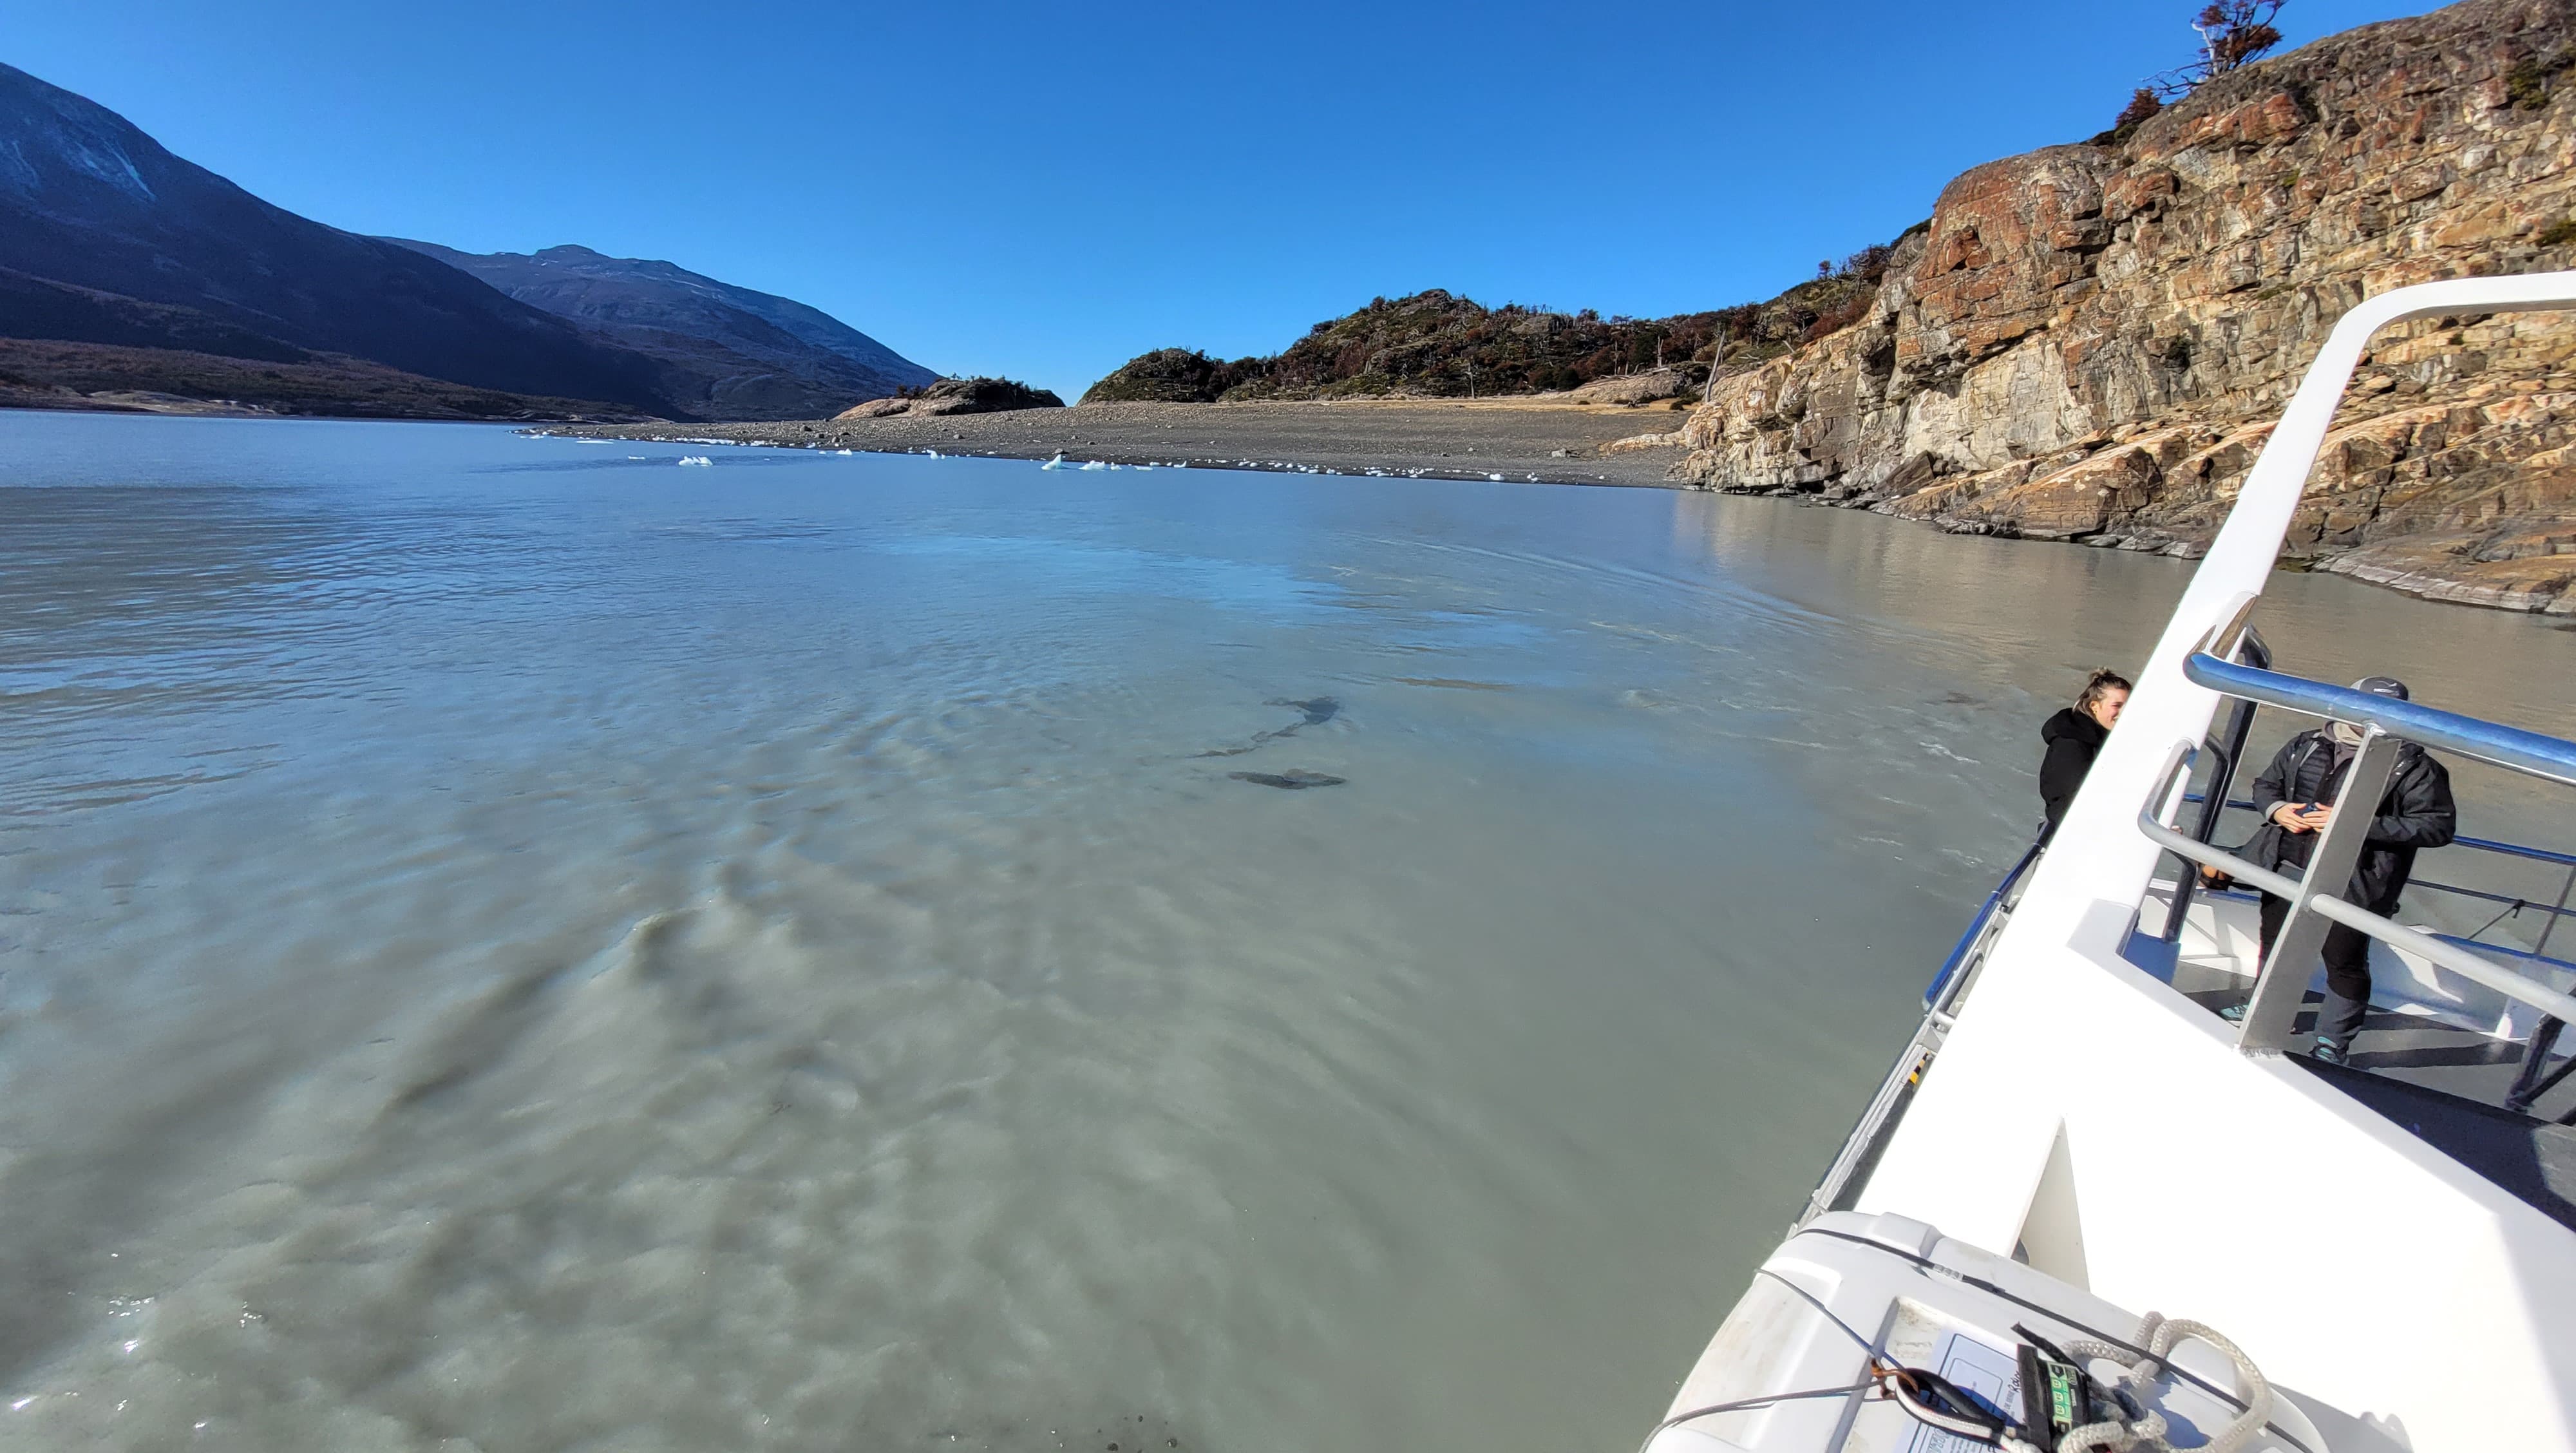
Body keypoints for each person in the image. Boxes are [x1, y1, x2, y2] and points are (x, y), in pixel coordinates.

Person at [2239, 676, 2457, 1063]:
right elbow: (2266, 785)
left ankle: (2333, 1042)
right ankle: (2266, 1011)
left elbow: (2436, 827)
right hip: (2288, 865)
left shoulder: (2416, 767)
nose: (2373, 718)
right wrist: (2277, 810)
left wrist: (2353, 823)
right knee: (2274, 944)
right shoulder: (2306, 745)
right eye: (2365, 708)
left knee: (2345, 961)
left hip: (2354, 882)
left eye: (2388, 712)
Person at [2038, 669, 2132, 836]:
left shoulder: (2104, 739)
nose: (2124, 713)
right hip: (2071, 835)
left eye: (2128, 706)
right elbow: (2079, 799)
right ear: (2094, 706)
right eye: (2117, 706)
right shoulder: (2072, 744)